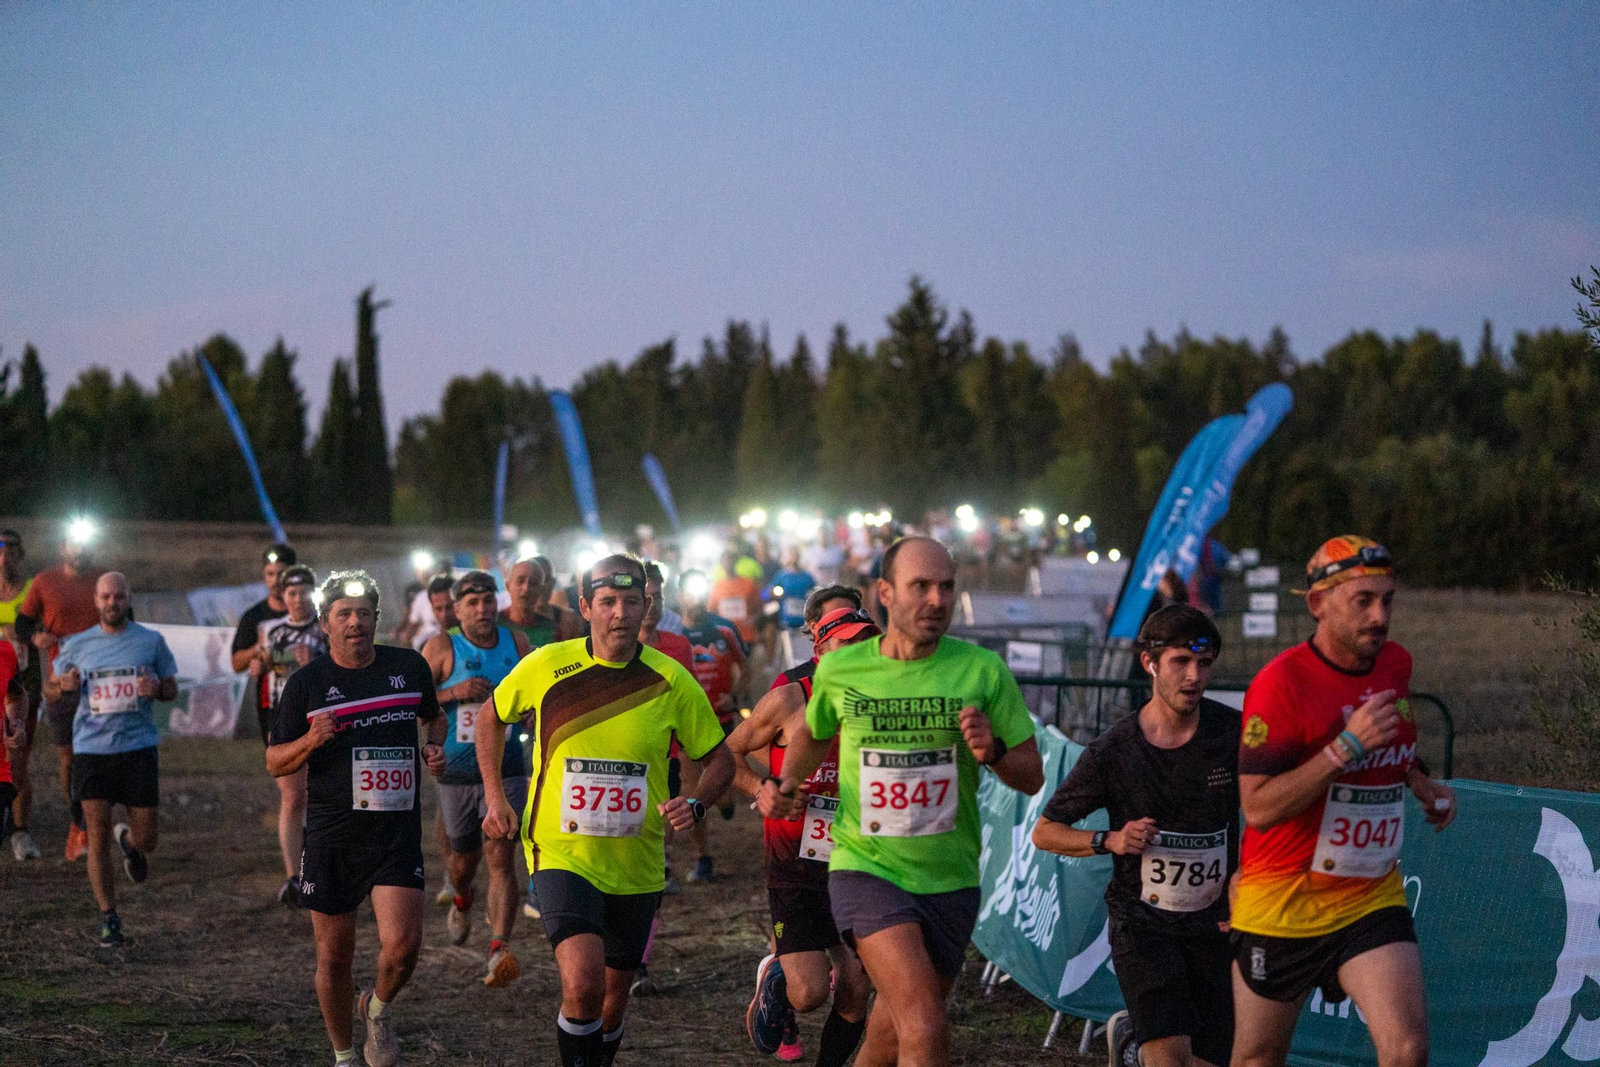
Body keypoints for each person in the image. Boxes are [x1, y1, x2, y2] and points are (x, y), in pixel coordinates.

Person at [779, 537, 1043, 1067]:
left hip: (952, 879)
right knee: (925, 1027)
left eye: (946, 586)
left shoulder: (982, 671)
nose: (936, 599)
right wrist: (785, 786)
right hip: (867, 870)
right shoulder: (842, 670)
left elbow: (1032, 776)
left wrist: (992, 751)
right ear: (885, 593)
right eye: (920, 586)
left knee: (890, 1036)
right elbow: (811, 732)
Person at [478, 553, 735, 1067]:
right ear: (585, 606)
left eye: (632, 602)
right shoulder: (547, 664)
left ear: (647, 609)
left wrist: (698, 802)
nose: (620, 613)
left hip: (637, 865)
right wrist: (495, 796)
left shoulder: (671, 679)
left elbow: (721, 759)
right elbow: (490, 718)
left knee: (613, 1006)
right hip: (560, 851)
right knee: (582, 986)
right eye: (608, 602)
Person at [1230, 537, 1456, 1067]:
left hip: (1369, 893)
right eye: (1363, 601)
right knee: (1258, 1058)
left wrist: (1423, 783)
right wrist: (1344, 747)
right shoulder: (1280, 683)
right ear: (1318, 605)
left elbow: (1394, 744)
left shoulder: (1394, 663)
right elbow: (1258, 807)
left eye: (1388, 600)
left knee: (1408, 1047)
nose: (1381, 617)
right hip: (1283, 900)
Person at [1033, 605, 1240, 1067]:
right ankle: (1144, 1043)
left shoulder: (1231, 734)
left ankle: (1130, 1041)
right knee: (1172, 1060)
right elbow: (1045, 832)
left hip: (1216, 925)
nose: (1194, 677)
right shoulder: (1115, 750)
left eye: (1204, 664)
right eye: (1180, 662)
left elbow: (1268, 804)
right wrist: (1110, 840)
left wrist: (1246, 872)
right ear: (1149, 663)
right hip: (1143, 925)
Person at [267, 571, 446, 1067]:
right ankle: (345, 1055)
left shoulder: (407, 667)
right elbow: (275, 760)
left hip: (394, 834)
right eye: (344, 615)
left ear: (376, 619)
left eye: (364, 613)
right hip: (332, 839)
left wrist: (433, 743)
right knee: (334, 958)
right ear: (325, 623)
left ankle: (377, 1009)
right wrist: (310, 740)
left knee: (404, 948)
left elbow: (434, 715)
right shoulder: (307, 684)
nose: (355, 623)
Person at [731, 602, 879, 1065]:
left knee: (858, 987)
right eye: (847, 642)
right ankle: (777, 975)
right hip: (795, 867)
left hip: (858, 869)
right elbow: (723, 754)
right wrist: (761, 789)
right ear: (820, 647)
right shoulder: (791, 699)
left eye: (867, 642)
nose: (859, 651)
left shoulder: (886, 703)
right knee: (810, 993)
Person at [45, 573, 178, 947]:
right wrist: (62, 686)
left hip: (137, 748)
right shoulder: (76, 645)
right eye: (106, 596)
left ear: (128, 598)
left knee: (149, 839)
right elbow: (50, 689)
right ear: (96, 600)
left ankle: (132, 843)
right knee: (96, 834)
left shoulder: (150, 642)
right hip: (92, 750)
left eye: (119, 596)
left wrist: (156, 689)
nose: (112, 602)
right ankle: (110, 917)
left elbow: (171, 687)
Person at [420, 570, 533, 987]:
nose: (483, 609)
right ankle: (463, 898)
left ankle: (499, 947)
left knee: (502, 857)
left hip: (507, 771)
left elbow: (541, 691)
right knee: (463, 860)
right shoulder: (442, 646)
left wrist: (530, 710)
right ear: (457, 608)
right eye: (473, 603)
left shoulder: (517, 643)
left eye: (488, 601)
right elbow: (417, 700)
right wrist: (455, 692)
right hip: (457, 774)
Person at [17, 524, 106, 861]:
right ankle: (76, 822)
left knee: (100, 753)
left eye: (86, 545)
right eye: (75, 545)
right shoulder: (44, 582)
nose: (80, 551)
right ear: (62, 547)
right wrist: (36, 637)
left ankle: (93, 821)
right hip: (62, 683)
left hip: (102, 682)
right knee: (68, 756)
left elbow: (126, 617)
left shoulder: (104, 581)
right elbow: (25, 623)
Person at [251, 564, 327, 905]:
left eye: (304, 592)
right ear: (283, 596)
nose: (298, 599)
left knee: (320, 795)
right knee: (293, 797)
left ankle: (321, 867)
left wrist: (314, 662)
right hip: (284, 720)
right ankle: (293, 878)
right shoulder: (273, 631)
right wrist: (260, 665)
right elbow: (264, 666)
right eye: (291, 593)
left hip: (323, 719)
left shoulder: (326, 630)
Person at [677, 568, 747, 882]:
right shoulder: (673, 633)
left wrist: (733, 695)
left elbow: (744, 666)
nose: (695, 600)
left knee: (722, 781)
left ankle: (725, 796)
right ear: (679, 596)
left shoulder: (725, 629)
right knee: (694, 789)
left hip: (721, 719)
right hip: (686, 723)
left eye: (700, 591)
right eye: (689, 593)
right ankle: (702, 857)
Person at [0, 529, 42, 860]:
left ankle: (20, 832)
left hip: (21, 687)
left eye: (10, 548)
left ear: (20, 553)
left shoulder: (30, 592)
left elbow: (38, 632)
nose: (4, 554)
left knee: (17, 762)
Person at [710, 549, 763, 649]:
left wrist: (754, 619)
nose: (728, 564)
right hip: (725, 636)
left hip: (746, 635)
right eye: (725, 561)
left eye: (730, 560)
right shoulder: (716, 587)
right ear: (721, 564)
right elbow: (711, 610)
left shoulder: (749, 583)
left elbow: (760, 606)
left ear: (736, 562)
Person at [531, 556, 585, 642]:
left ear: (553, 583)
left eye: (546, 580)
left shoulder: (569, 622)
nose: (541, 587)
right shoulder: (505, 622)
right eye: (535, 581)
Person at [770, 550, 819, 633]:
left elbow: (815, 591)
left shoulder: (807, 576)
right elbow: (771, 590)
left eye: (796, 556)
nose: (794, 559)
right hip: (787, 618)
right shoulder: (782, 575)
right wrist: (775, 593)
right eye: (792, 556)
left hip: (804, 618)